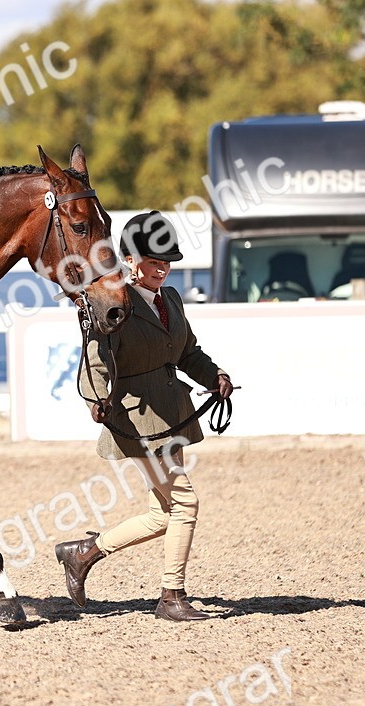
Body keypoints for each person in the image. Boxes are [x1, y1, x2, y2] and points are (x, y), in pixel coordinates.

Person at [54, 210, 233, 622]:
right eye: (154, 262)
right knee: (185, 503)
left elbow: (187, 352)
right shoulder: (114, 301)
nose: (162, 269)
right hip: (136, 420)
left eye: (167, 262)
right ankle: (172, 596)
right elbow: (96, 360)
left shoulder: (171, 300)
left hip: (172, 415)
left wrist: (215, 376)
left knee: (163, 513)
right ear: (131, 260)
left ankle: (83, 553)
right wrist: (97, 400)